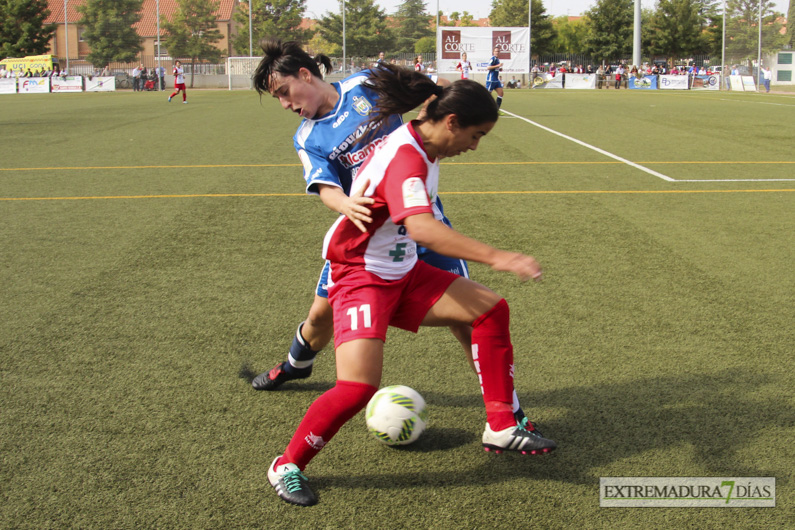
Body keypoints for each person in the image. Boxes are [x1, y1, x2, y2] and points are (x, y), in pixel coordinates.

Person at [265, 65, 557, 507]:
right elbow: (421, 228)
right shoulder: (406, 157)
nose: (475, 147)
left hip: (400, 271)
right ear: (452, 122)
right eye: (476, 135)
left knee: (489, 309)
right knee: (357, 388)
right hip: (361, 276)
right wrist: (501, 256)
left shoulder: (424, 142)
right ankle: (286, 465)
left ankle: (501, 424)